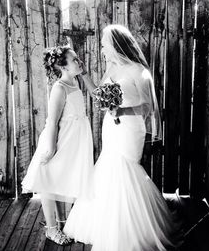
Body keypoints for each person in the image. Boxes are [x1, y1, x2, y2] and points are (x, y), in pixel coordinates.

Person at [64, 25, 182, 251]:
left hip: (130, 128)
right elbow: (99, 96)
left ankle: (134, 229)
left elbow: (147, 107)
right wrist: (84, 74)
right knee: (108, 167)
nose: (102, 50)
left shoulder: (139, 71)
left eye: (104, 46)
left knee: (125, 168)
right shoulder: (111, 69)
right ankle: (107, 226)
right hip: (111, 126)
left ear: (116, 46)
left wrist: (123, 111)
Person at [21, 46, 94, 246]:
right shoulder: (60, 87)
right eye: (74, 60)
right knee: (49, 179)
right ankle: (51, 229)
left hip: (74, 139)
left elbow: (92, 94)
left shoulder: (75, 82)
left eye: (78, 58)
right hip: (59, 139)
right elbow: (52, 121)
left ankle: (63, 223)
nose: (79, 62)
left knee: (63, 179)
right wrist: (51, 149)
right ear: (63, 66)